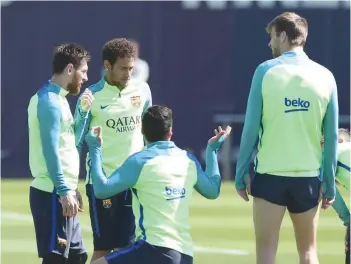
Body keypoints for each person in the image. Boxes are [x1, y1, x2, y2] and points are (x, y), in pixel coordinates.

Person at [234, 12, 339, 264]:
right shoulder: (326, 76)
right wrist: (329, 182)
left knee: (266, 254)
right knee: (309, 252)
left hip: (270, 175)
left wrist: (240, 173)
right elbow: (332, 136)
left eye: (272, 37)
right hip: (308, 179)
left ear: (282, 35)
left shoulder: (264, 71)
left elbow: (250, 128)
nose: (270, 44)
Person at [84, 105, 231, 264]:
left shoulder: (139, 161)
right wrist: (212, 150)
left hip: (152, 250)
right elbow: (213, 190)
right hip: (185, 256)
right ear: (170, 132)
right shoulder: (189, 160)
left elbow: (101, 190)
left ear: (142, 132)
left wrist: (94, 148)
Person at [74, 38, 152, 262]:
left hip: (133, 183)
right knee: (103, 250)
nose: (129, 73)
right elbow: (77, 141)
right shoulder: (92, 96)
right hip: (102, 184)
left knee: (125, 251)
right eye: (123, 68)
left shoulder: (143, 90)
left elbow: (149, 134)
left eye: (131, 68)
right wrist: (71, 184)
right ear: (107, 66)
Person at [28, 43, 90, 264]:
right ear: (70, 69)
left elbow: (68, 145)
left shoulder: (60, 99)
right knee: (56, 260)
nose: (85, 78)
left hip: (62, 190)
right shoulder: (49, 101)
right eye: (83, 71)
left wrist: (72, 187)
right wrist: (64, 189)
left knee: (77, 256)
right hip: (52, 193)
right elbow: (50, 150)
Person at [322, 128, 351, 264]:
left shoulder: (340, 147)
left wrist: (347, 219)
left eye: (323, 143)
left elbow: (325, 181)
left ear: (339, 140)